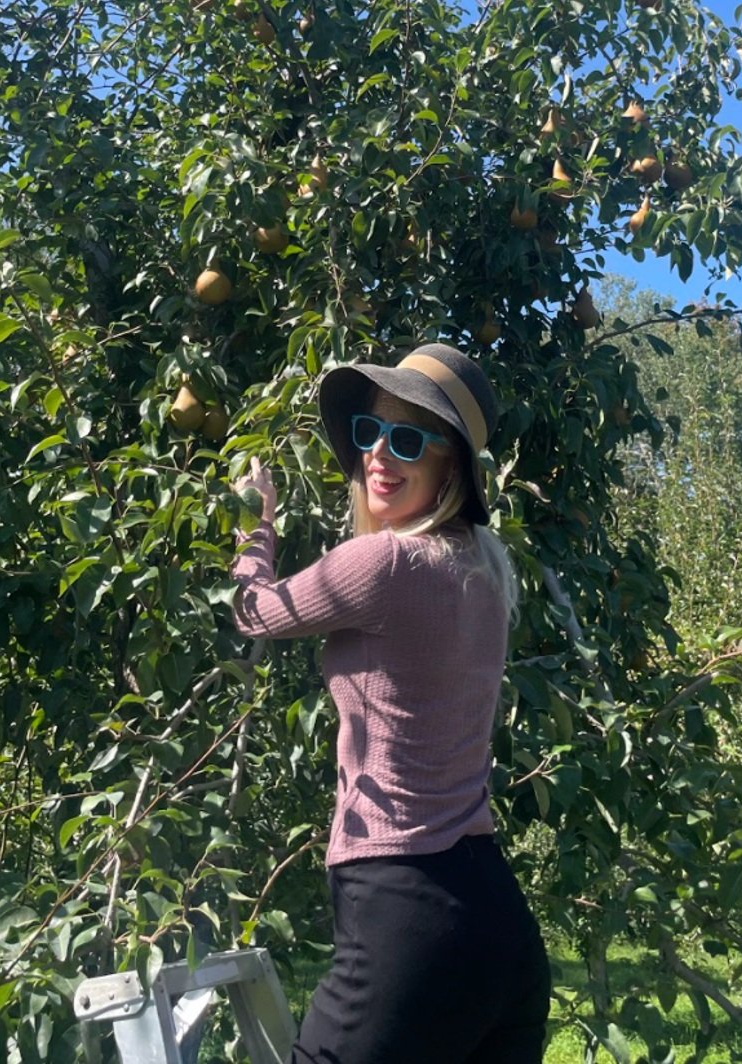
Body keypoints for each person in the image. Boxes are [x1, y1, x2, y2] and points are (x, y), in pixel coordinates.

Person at [228, 343, 551, 1064]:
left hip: (408, 910)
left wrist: (257, 523)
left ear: (450, 469)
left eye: (408, 439)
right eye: (369, 432)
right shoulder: (485, 572)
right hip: (500, 924)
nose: (378, 454)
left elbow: (253, 612)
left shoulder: (384, 563)